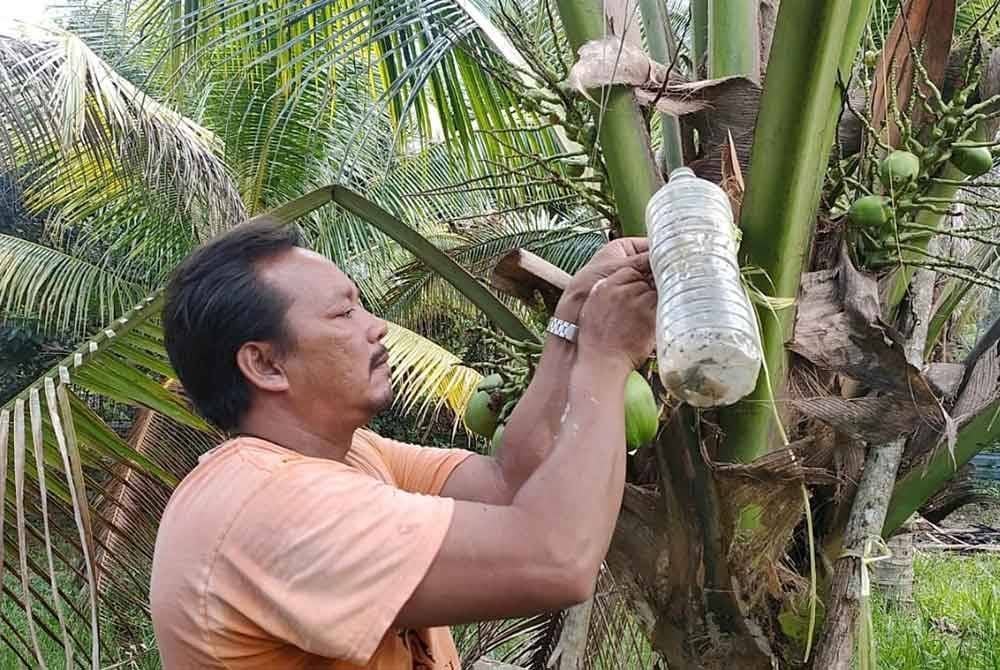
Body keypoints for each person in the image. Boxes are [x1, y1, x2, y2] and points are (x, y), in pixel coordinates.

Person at [150, 217, 656, 669]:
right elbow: (557, 561)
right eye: (343, 315)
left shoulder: (347, 455)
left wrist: (572, 315)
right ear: (265, 364)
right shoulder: (271, 507)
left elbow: (507, 481)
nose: (377, 328)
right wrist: (605, 360)